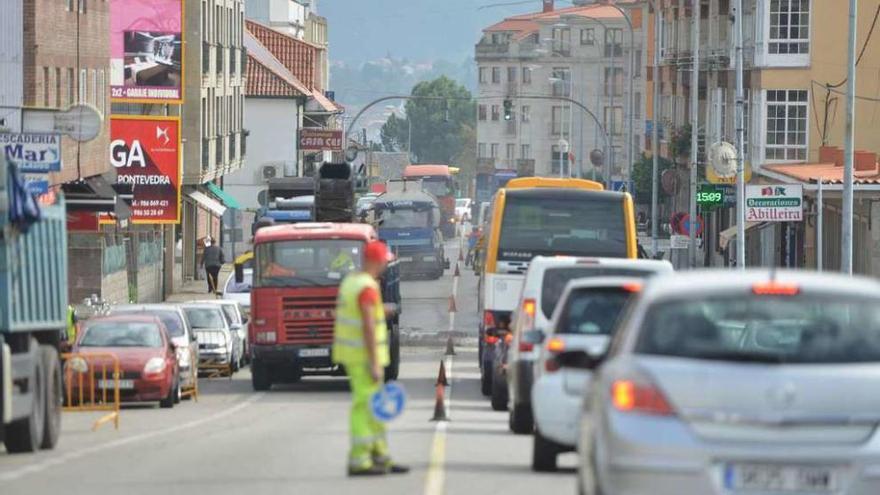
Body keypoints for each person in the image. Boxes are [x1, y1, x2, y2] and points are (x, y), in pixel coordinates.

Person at [332, 240, 408, 477]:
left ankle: (380, 456)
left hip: (355, 356)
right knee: (365, 407)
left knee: (375, 407)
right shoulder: (366, 287)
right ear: (375, 260)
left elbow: (360, 313)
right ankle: (360, 460)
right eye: (384, 260)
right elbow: (366, 325)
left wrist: (382, 310)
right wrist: (375, 363)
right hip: (364, 357)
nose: (386, 264)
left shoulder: (352, 282)